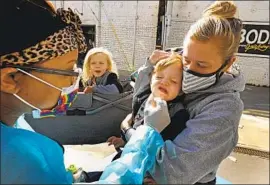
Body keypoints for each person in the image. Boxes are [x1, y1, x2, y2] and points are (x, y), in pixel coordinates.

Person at [100, 1, 245, 184]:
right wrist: (149, 69)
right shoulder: (176, 68)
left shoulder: (223, 110)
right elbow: (141, 102)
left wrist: (129, 131)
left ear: (228, 64)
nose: (188, 70)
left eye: (201, 65)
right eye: (186, 59)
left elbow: (169, 170)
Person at [0, 0, 88, 183]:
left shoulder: (14, 125)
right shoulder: (23, 161)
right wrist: (142, 143)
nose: (74, 81)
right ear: (10, 79)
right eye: (67, 71)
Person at [107, 53, 189, 149]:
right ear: (151, 81)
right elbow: (136, 123)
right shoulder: (143, 97)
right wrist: (123, 140)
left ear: (181, 91)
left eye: (173, 81)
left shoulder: (178, 113)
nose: (164, 82)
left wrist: (126, 131)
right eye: (159, 77)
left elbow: (153, 146)